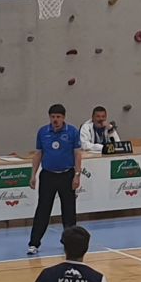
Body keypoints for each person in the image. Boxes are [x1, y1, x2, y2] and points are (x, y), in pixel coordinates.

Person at [28, 103, 82, 257]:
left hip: (67, 175)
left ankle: (70, 244)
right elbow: (38, 154)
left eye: (58, 117)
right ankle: (34, 243)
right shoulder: (43, 132)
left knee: (69, 211)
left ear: (63, 118)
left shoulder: (72, 132)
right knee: (43, 210)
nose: (55, 120)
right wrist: (33, 175)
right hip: (48, 175)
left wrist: (77, 175)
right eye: (53, 117)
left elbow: (77, 154)